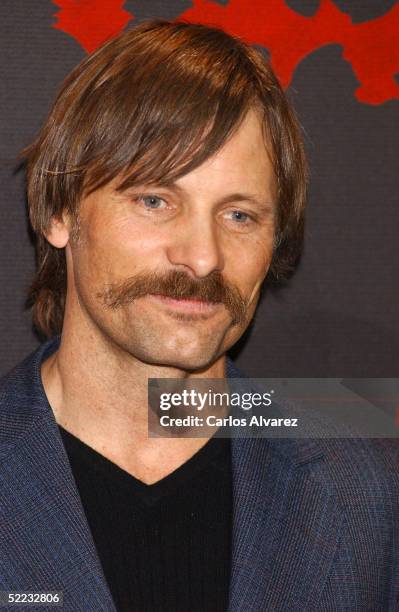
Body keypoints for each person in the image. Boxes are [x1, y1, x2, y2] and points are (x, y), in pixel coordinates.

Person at [0, 19, 398, 612]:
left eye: (239, 215)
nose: (203, 256)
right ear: (59, 212)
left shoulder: (364, 488)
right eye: (156, 201)